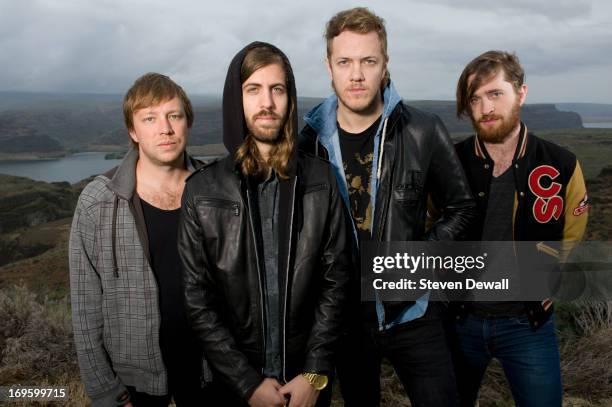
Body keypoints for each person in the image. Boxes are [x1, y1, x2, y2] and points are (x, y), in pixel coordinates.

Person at [299, 7, 476, 407]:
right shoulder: (309, 139)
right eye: (345, 61)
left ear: (385, 65)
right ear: (329, 66)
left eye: (368, 61)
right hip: (343, 318)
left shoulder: (423, 129)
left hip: (412, 311)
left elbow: (462, 208)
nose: (356, 74)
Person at [178, 42, 350, 407]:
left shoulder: (321, 179)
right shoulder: (201, 191)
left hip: (306, 385)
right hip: (233, 389)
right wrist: (246, 383)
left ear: (289, 98)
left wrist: (315, 374)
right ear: (236, 99)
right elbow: (198, 302)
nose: (267, 103)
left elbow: (336, 283)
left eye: (277, 89)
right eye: (253, 89)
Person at [451, 50, 589, 406]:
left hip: (528, 324)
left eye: (495, 94)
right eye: (475, 98)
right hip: (458, 321)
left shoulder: (561, 164)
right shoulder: (451, 162)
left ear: (521, 93)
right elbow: (431, 225)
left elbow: (573, 230)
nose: (485, 108)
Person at [70, 73, 208, 407]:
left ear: (187, 122)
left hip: (211, 370)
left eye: (174, 116)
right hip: (134, 381)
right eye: (150, 118)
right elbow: (84, 308)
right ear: (133, 131)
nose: (165, 128)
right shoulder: (97, 202)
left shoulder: (216, 190)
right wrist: (104, 390)